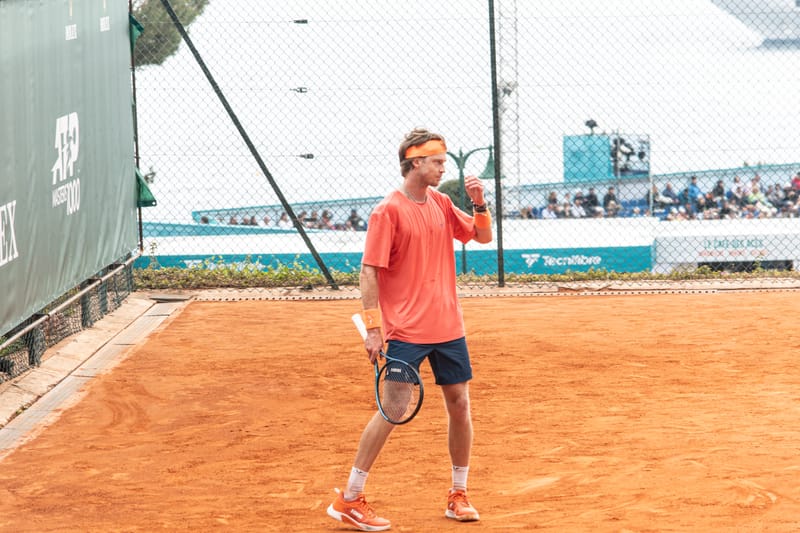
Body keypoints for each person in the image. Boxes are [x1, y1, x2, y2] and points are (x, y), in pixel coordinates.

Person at [327, 128, 493, 531]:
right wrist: (373, 329)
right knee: (393, 409)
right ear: (415, 162)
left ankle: (458, 494)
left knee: (460, 405)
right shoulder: (388, 211)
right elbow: (369, 272)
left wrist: (479, 203)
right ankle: (350, 497)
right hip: (405, 331)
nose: (443, 168)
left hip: (448, 327)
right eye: (437, 162)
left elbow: (483, 237)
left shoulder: (441, 203)